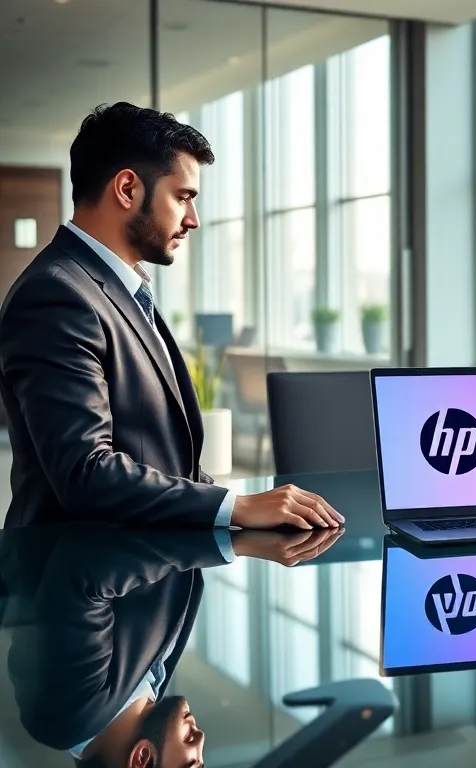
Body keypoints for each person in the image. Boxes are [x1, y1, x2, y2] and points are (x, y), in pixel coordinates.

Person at [0, 102, 343, 529]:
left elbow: (160, 456)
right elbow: (84, 473)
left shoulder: (119, 289)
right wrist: (235, 506)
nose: (193, 219)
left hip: (144, 567)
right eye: (183, 197)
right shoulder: (56, 295)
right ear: (127, 188)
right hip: (82, 581)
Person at [0, 522, 341, 765]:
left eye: (191, 763)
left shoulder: (69, 712)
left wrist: (230, 541)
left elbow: (84, 570)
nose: (201, 742)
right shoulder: (143, 693)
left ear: (143, 758)